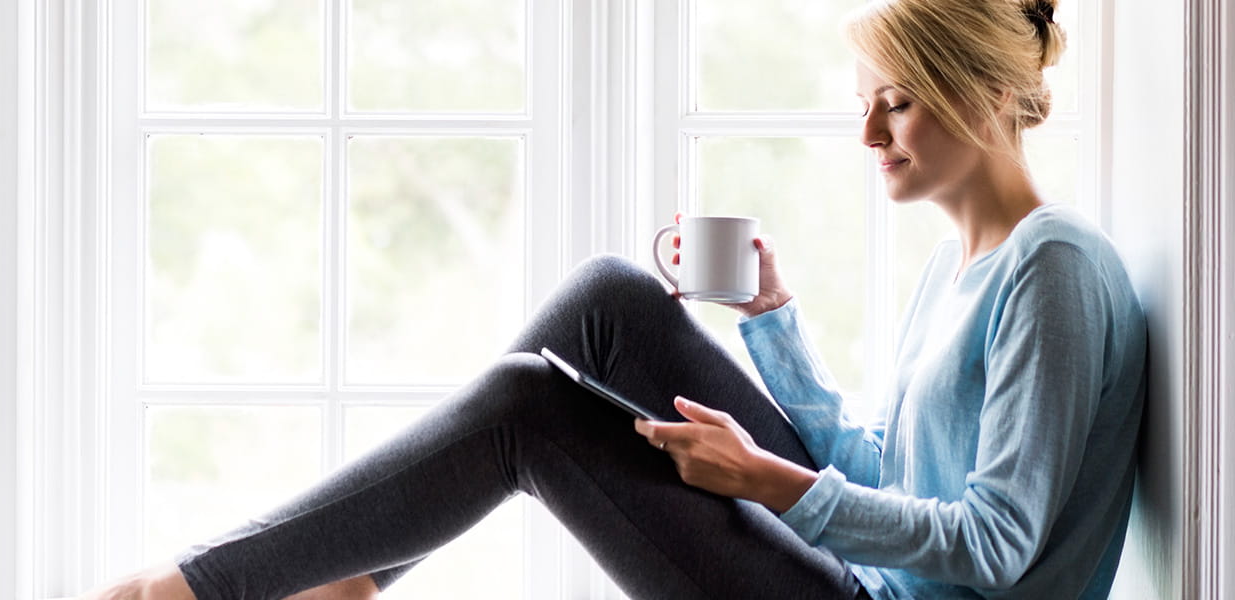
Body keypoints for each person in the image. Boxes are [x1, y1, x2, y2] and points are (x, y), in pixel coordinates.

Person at [87, 0, 1145, 597]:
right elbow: (887, 473)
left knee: (529, 408)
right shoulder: (958, 263)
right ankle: (354, 582)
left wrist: (770, 485)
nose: (868, 135)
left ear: (993, 96)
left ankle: (190, 594)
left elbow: (996, 545)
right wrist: (772, 327)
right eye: (864, 104)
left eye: (899, 103)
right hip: (861, 577)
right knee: (611, 300)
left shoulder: (1053, 267)